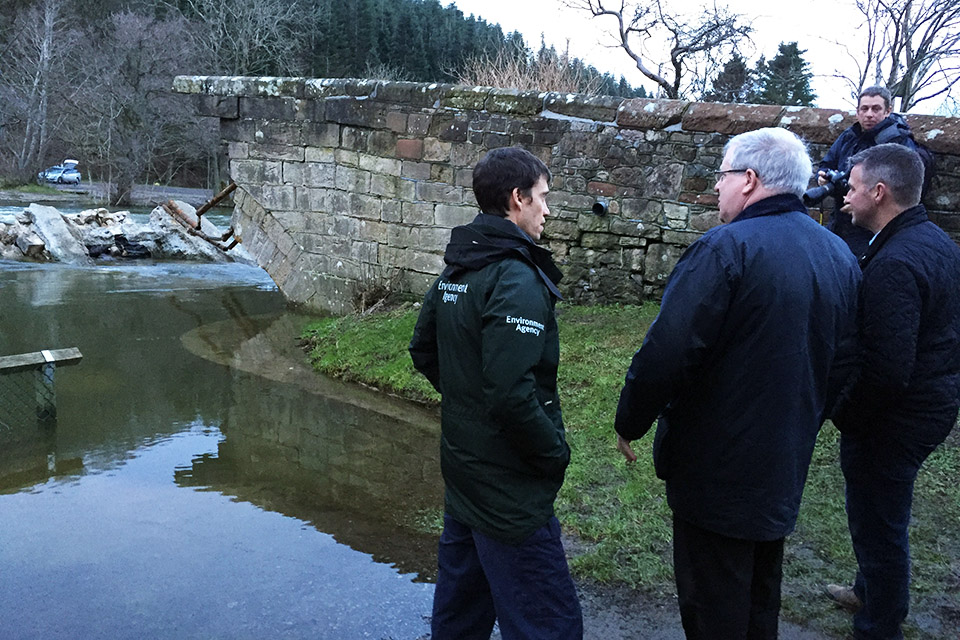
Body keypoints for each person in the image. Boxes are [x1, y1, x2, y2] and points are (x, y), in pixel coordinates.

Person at [614, 127, 861, 639]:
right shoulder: (837, 254)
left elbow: (669, 349)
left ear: (748, 180)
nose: (716, 190)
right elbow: (846, 361)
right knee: (758, 599)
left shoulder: (725, 249)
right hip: (782, 461)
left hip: (715, 469)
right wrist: (807, 417)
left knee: (714, 606)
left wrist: (630, 419)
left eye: (722, 177)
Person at [409, 146, 583, 640]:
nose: (547, 210)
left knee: (460, 615)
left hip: (464, 472)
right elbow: (509, 394)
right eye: (543, 198)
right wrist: (553, 453)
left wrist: (468, 405)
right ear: (517, 198)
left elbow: (424, 350)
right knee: (549, 624)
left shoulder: (458, 268)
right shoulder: (514, 275)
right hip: (509, 490)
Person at [826, 143, 960, 640]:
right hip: (931, 402)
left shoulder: (896, 263)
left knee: (879, 522)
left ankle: (879, 626)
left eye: (854, 187)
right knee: (882, 512)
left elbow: (886, 369)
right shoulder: (933, 240)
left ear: (879, 192)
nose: (847, 197)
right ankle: (869, 591)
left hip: (898, 418)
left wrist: (846, 413)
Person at [817, 86, 921, 258]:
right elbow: (826, 164)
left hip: (871, 230)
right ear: (857, 112)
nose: (869, 114)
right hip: (839, 222)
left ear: (888, 111)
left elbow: (900, 188)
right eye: (864, 109)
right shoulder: (849, 136)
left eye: (876, 108)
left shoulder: (898, 142)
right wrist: (823, 177)